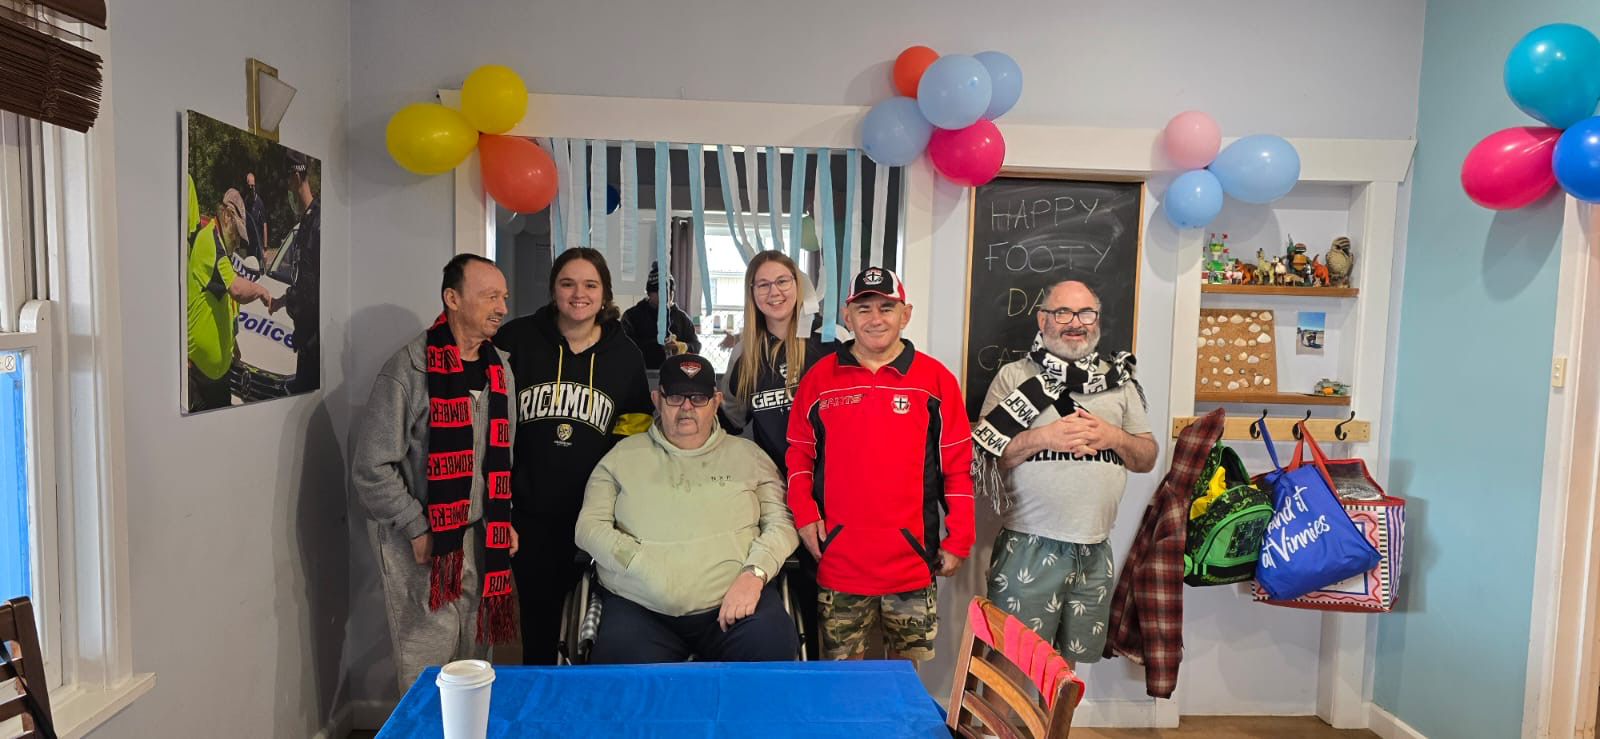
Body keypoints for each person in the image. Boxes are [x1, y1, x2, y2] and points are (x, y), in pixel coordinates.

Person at [785, 267, 975, 662]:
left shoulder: (936, 381)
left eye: (886, 308)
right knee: (842, 685)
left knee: (904, 684)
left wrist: (959, 538)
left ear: (905, 314)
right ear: (846, 315)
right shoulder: (820, 379)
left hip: (911, 562)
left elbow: (956, 466)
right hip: (839, 562)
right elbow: (799, 454)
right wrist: (804, 515)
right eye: (864, 308)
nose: (876, 319)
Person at [351, 254, 520, 691]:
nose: (502, 307)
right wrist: (415, 526)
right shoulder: (408, 370)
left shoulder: (500, 369)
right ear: (452, 298)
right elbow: (372, 467)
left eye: (503, 296)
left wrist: (504, 520)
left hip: (482, 536)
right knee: (429, 666)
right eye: (489, 296)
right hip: (423, 540)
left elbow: (500, 459)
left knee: (475, 662)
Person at [970, 279, 1158, 665]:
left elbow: (1146, 457)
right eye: (1063, 313)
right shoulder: (1013, 376)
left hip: (1094, 547)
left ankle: (1050, 729)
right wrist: (1044, 437)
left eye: (1086, 313)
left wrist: (1113, 437)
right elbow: (986, 455)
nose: (1076, 323)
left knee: (1063, 671)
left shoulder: (1120, 382)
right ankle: (1001, 729)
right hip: (1029, 545)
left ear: (1098, 320)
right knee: (1012, 664)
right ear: (1043, 320)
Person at [576, 353, 800, 663]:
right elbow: (589, 528)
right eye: (676, 397)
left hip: (736, 604)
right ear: (657, 399)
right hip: (640, 608)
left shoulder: (750, 457)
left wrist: (755, 574)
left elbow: (782, 524)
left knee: (772, 647)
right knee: (620, 673)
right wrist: (641, 565)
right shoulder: (620, 457)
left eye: (698, 397)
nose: (686, 407)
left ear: (716, 400)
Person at [495, 247, 653, 664]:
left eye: (590, 285)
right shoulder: (516, 341)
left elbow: (632, 435)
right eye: (567, 283)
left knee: (600, 624)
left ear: (605, 294)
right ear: (553, 290)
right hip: (530, 512)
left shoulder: (626, 357)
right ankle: (543, 718)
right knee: (539, 627)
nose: (578, 294)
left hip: (598, 513)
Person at [716, 250, 838, 658]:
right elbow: (730, 424)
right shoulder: (744, 354)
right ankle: (808, 672)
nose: (775, 292)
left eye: (783, 281)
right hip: (783, 495)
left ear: (797, 284)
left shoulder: (830, 340)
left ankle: (838, 681)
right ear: (751, 293)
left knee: (839, 596)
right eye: (763, 284)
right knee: (803, 588)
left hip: (836, 487)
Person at [185, 177, 274, 411]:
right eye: (237, 234)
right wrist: (261, 291)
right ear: (227, 216)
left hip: (219, 375)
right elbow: (235, 289)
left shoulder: (221, 247)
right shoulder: (210, 240)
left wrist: (232, 342)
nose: (238, 243)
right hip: (201, 377)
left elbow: (221, 300)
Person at [270, 150, 320, 394]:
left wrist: (307, 335)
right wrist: (281, 301)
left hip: (314, 342)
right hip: (304, 339)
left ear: (297, 178)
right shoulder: (305, 225)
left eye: (289, 183)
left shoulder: (319, 224)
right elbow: (301, 282)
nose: (289, 190)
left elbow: (317, 291)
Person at [621, 261, 700, 369]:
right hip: (640, 374)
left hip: (675, 377)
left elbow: (696, 345)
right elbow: (624, 347)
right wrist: (659, 345)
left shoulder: (682, 318)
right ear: (649, 293)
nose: (666, 295)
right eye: (660, 291)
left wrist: (682, 346)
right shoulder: (632, 316)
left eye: (669, 291)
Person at [243, 171, 268, 266]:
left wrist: (265, 249)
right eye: (249, 186)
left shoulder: (259, 203)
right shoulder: (245, 202)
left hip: (258, 245)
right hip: (248, 245)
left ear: (255, 185)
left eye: (253, 186)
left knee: (258, 269)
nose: (251, 188)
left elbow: (264, 226)